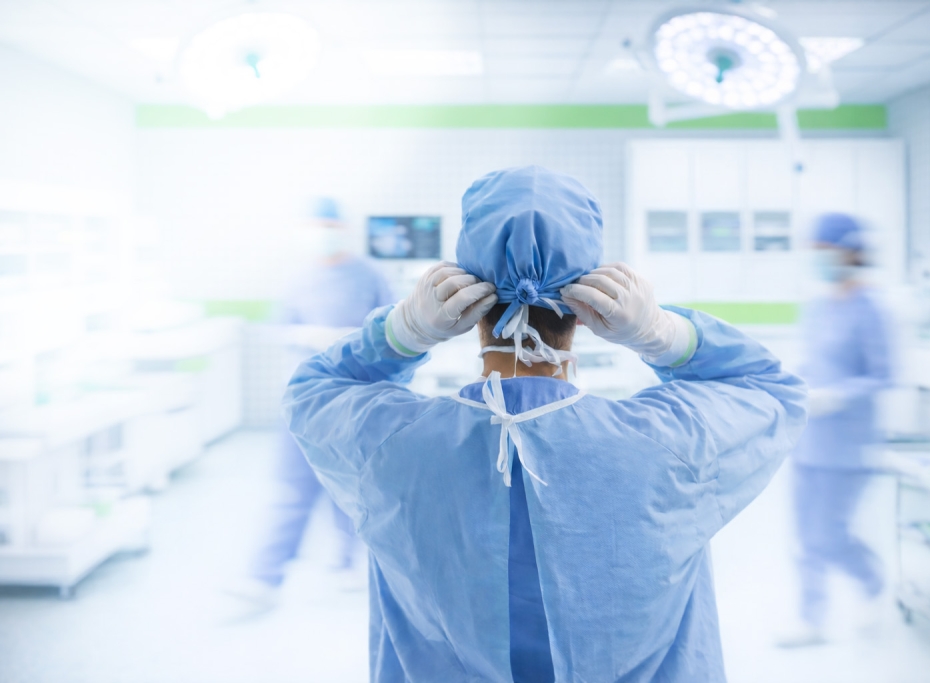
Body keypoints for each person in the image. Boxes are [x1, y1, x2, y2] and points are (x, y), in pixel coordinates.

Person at [284, 167, 807, 681]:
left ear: (466, 305)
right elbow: (771, 389)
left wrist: (401, 333)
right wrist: (663, 333)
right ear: (584, 310)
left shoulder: (393, 446)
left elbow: (311, 391)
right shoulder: (669, 446)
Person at [228, 197, 394, 608]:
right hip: (301, 398)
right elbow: (279, 328)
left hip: (353, 397)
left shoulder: (369, 275)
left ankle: (346, 561)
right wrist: (307, 336)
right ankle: (264, 578)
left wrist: (352, 340)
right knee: (291, 489)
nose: (322, 233)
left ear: (343, 228)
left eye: (328, 225)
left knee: (350, 485)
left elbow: (392, 330)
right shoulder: (296, 277)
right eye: (314, 225)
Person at [777, 213, 893, 647]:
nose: (820, 260)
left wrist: (839, 395)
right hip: (809, 439)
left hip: (848, 443)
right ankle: (812, 618)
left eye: (826, 251)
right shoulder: (819, 305)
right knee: (805, 537)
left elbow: (885, 375)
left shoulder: (873, 310)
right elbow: (811, 363)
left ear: (850, 252)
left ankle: (872, 581)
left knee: (830, 534)